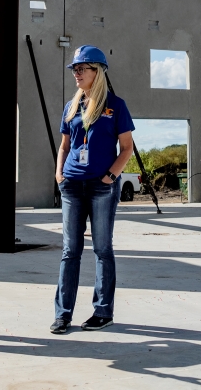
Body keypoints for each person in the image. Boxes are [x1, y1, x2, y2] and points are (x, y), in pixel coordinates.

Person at [50, 45, 134, 335]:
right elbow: (64, 146)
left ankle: (103, 312)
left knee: (102, 248)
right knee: (70, 250)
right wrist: (60, 174)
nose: (76, 73)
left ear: (97, 72)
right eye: (74, 69)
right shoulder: (71, 106)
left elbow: (126, 149)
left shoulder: (116, 106)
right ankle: (63, 315)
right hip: (72, 185)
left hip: (102, 186)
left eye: (81, 68)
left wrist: (110, 177)